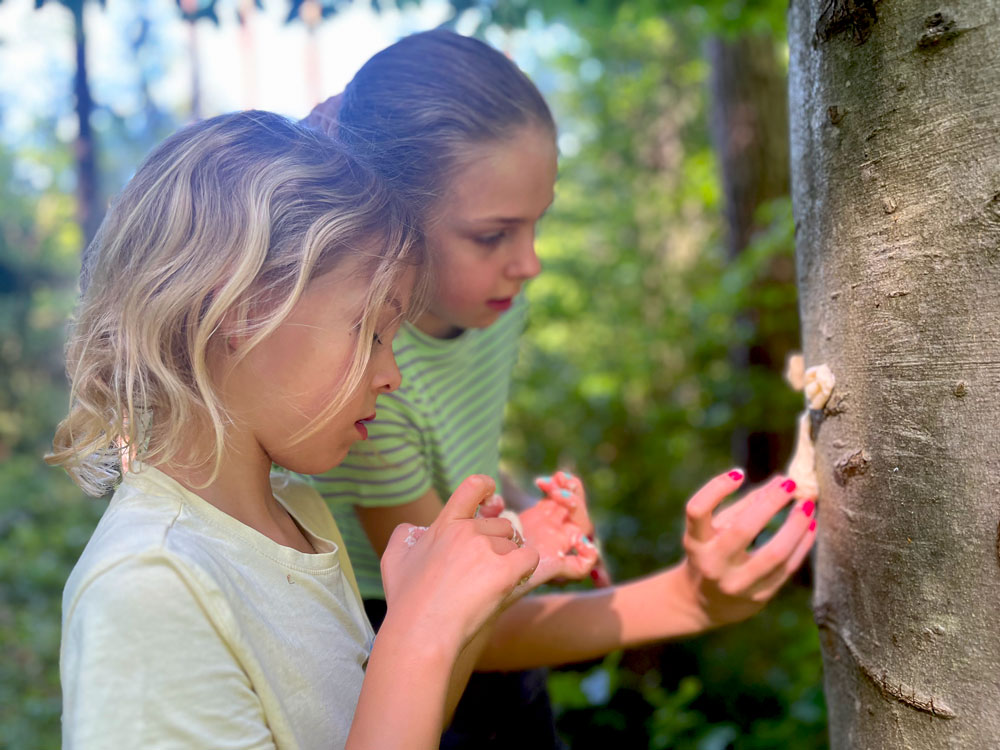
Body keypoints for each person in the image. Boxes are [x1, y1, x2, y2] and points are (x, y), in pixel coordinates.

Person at [305, 29, 819, 748]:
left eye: (537, 223)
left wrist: (520, 513)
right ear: (389, 223)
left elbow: (459, 446)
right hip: (391, 656)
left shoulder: (488, 306)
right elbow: (444, 619)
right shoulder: (365, 385)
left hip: (492, 620)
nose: (530, 264)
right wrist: (680, 599)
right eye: (494, 235)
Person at [48, 110, 552, 749]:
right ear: (238, 308)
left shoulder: (298, 517)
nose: (390, 373)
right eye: (369, 330)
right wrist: (419, 628)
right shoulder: (151, 588)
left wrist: (454, 609)